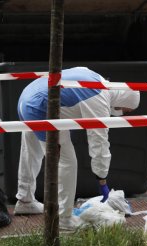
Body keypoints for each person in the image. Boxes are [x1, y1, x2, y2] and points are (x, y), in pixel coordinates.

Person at [14, 67, 140, 231]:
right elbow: (99, 142)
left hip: (27, 97)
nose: (123, 114)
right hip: (41, 107)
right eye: (126, 110)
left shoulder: (97, 78)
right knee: (67, 162)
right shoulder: (100, 97)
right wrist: (102, 179)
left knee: (31, 151)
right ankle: (64, 220)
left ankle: (25, 200)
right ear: (123, 102)